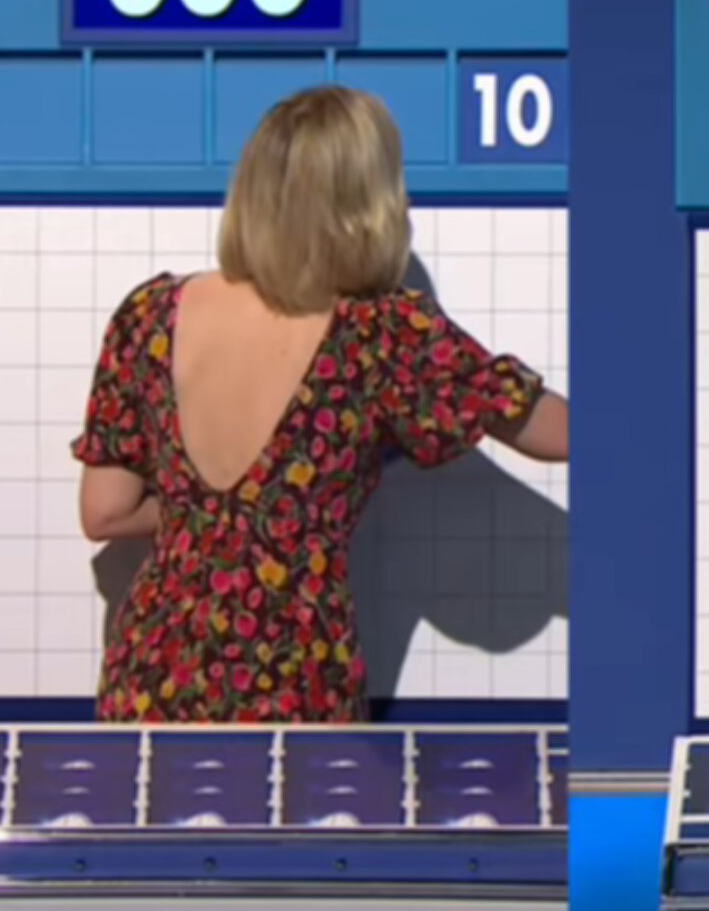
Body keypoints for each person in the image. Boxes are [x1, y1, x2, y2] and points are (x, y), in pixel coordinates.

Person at [71, 86, 569, 723]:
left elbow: (105, 512)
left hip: (151, 676)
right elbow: (551, 429)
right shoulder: (381, 333)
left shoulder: (148, 315)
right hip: (294, 679)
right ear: (367, 203)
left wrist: (207, 520)